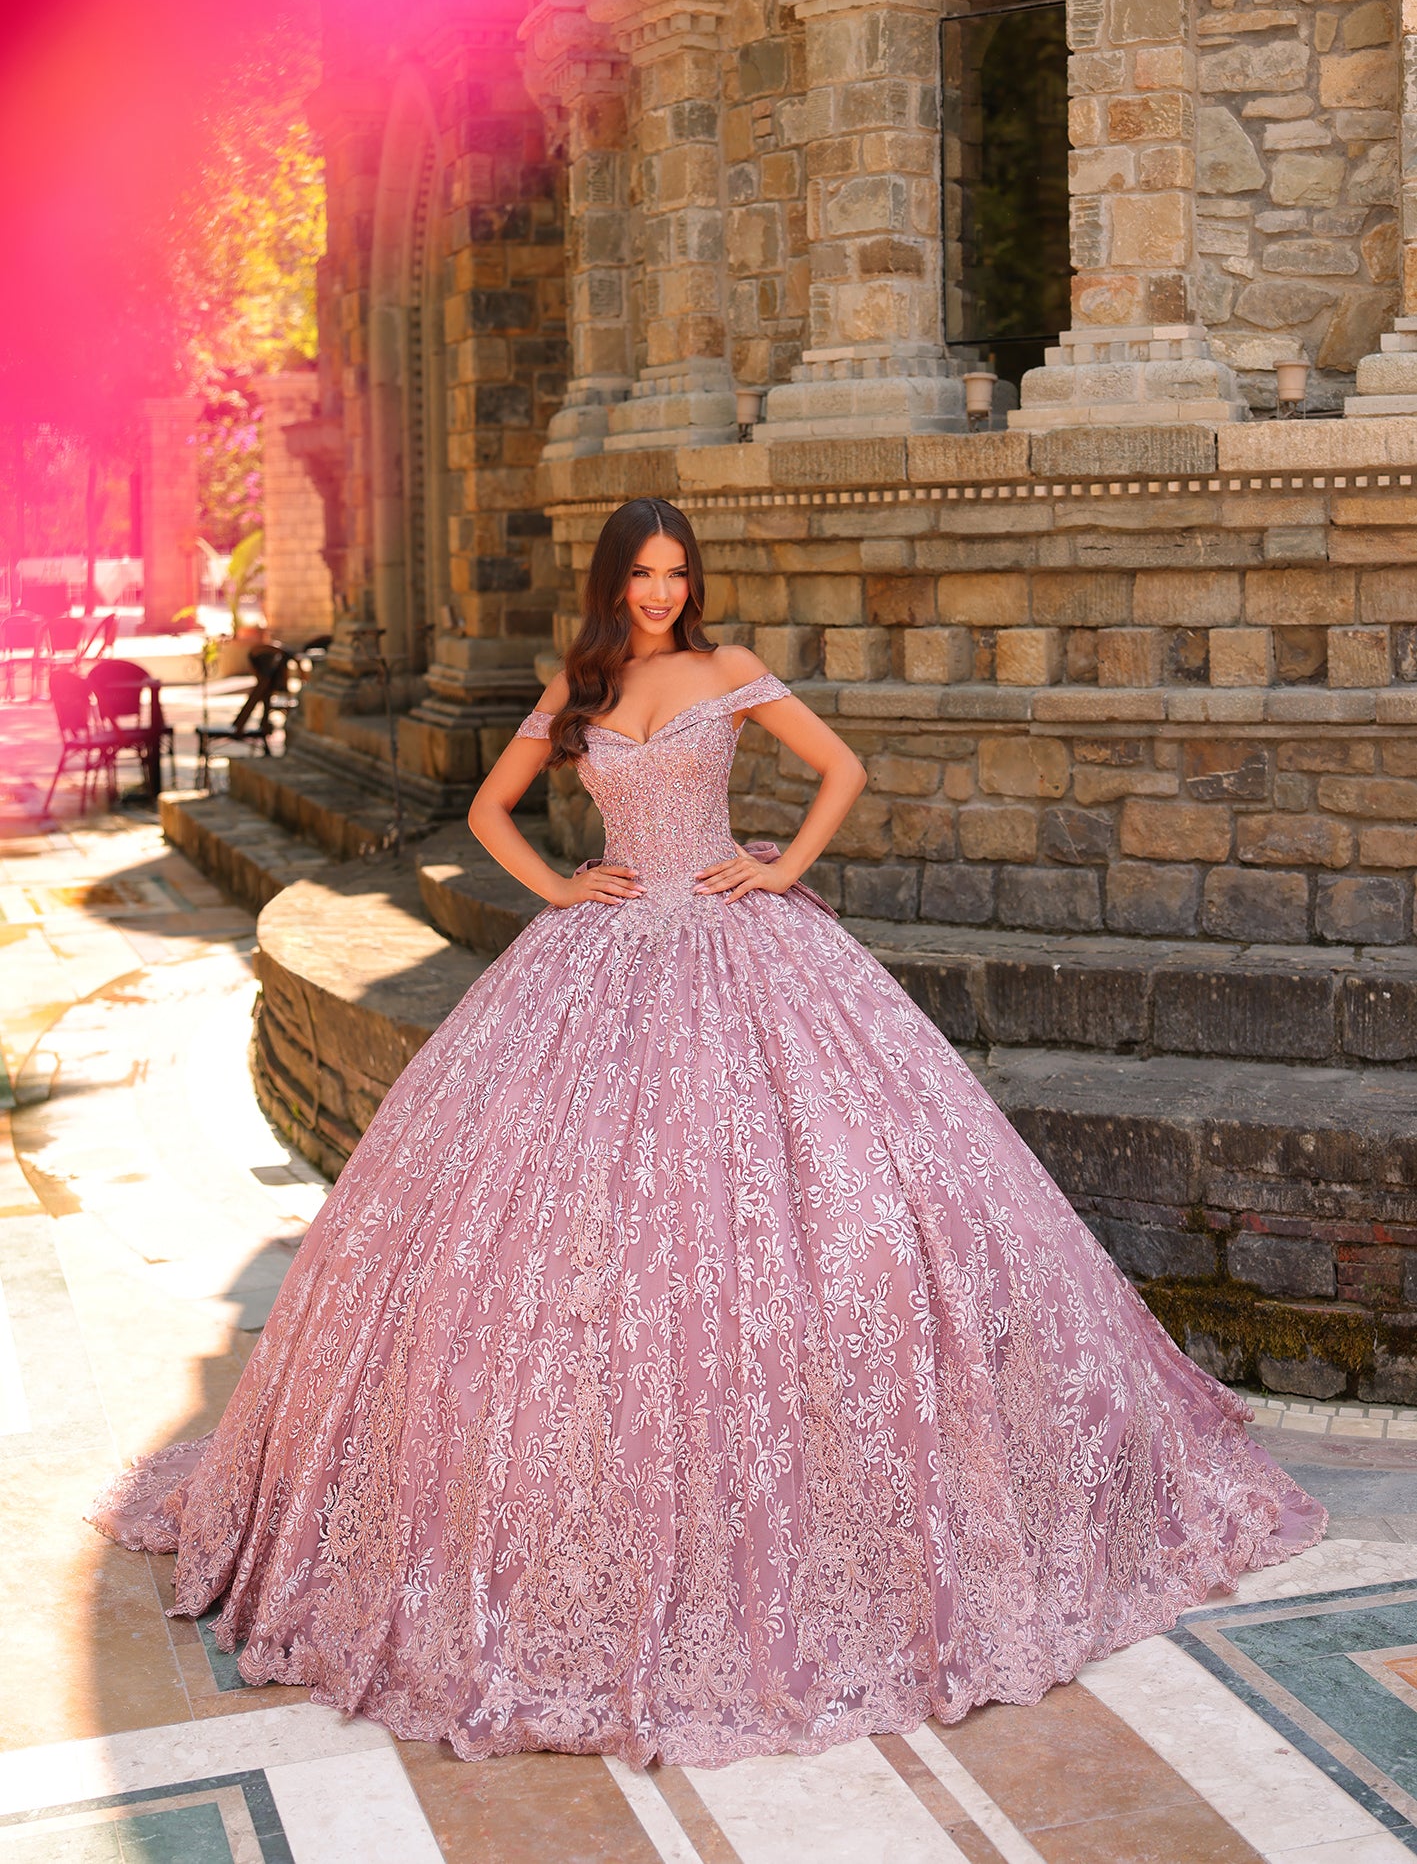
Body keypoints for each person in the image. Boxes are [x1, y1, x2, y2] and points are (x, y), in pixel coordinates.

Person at [92, 495, 1324, 1770]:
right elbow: (487, 813)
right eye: (643, 572)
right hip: (600, 954)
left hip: (741, 940)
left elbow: (839, 770)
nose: (663, 591)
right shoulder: (577, 684)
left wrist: (780, 867)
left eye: (679, 572)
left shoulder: (729, 671)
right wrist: (562, 886)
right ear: (612, 580)